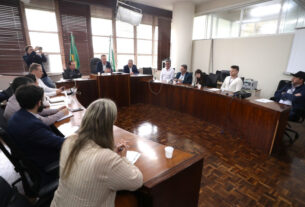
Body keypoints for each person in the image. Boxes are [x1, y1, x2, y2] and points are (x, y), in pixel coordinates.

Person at [51, 99, 143, 207]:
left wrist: (110, 153)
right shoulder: (105, 158)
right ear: (109, 126)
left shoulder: (69, 140)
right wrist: (123, 158)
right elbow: (137, 181)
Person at [7, 85, 65, 181]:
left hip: (32, 154)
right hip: (47, 161)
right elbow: (61, 143)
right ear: (39, 103)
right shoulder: (32, 126)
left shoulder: (18, 115)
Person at [4, 76, 68, 126]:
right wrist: (62, 113)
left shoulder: (14, 98)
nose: (33, 89)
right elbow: (44, 121)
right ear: (23, 89)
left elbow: (36, 111)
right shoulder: (18, 107)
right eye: (31, 87)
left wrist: (56, 110)